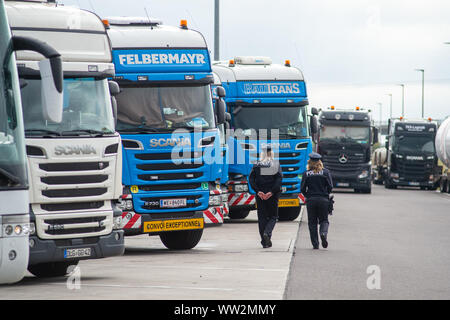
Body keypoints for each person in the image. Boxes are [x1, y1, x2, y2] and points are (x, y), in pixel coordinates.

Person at [249, 146, 283, 248]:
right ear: (271, 154)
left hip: (260, 195)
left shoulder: (256, 165)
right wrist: (271, 192)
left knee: (262, 217)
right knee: (273, 216)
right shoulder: (275, 164)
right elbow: (279, 179)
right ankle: (267, 233)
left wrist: (258, 191)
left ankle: (264, 242)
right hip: (272, 196)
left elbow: (251, 180)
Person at [300, 152, 333, 249]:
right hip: (323, 200)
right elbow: (330, 187)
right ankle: (323, 233)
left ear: (309, 162)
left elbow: (302, 189)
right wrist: (325, 193)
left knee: (312, 222)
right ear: (319, 162)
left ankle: (315, 244)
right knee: (324, 220)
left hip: (311, 200)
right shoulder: (326, 172)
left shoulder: (306, 174)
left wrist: (308, 196)